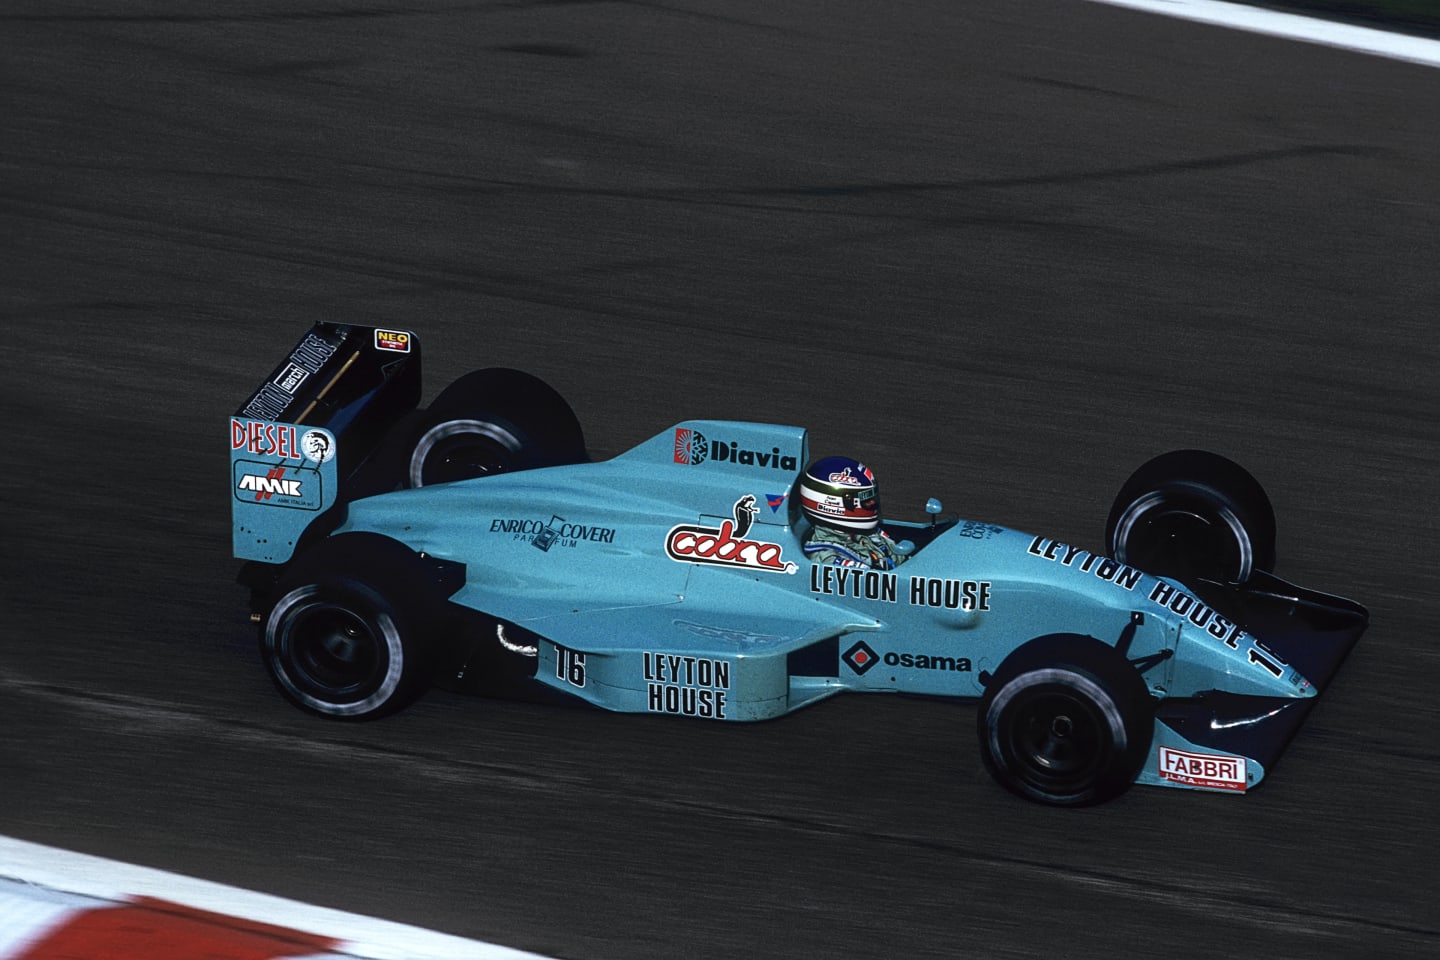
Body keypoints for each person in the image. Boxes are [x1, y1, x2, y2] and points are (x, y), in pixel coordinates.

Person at [799, 456, 907, 569]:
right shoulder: (829, 561)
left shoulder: (866, 534)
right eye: (865, 499)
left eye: (872, 497)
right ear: (835, 504)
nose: (872, 503)